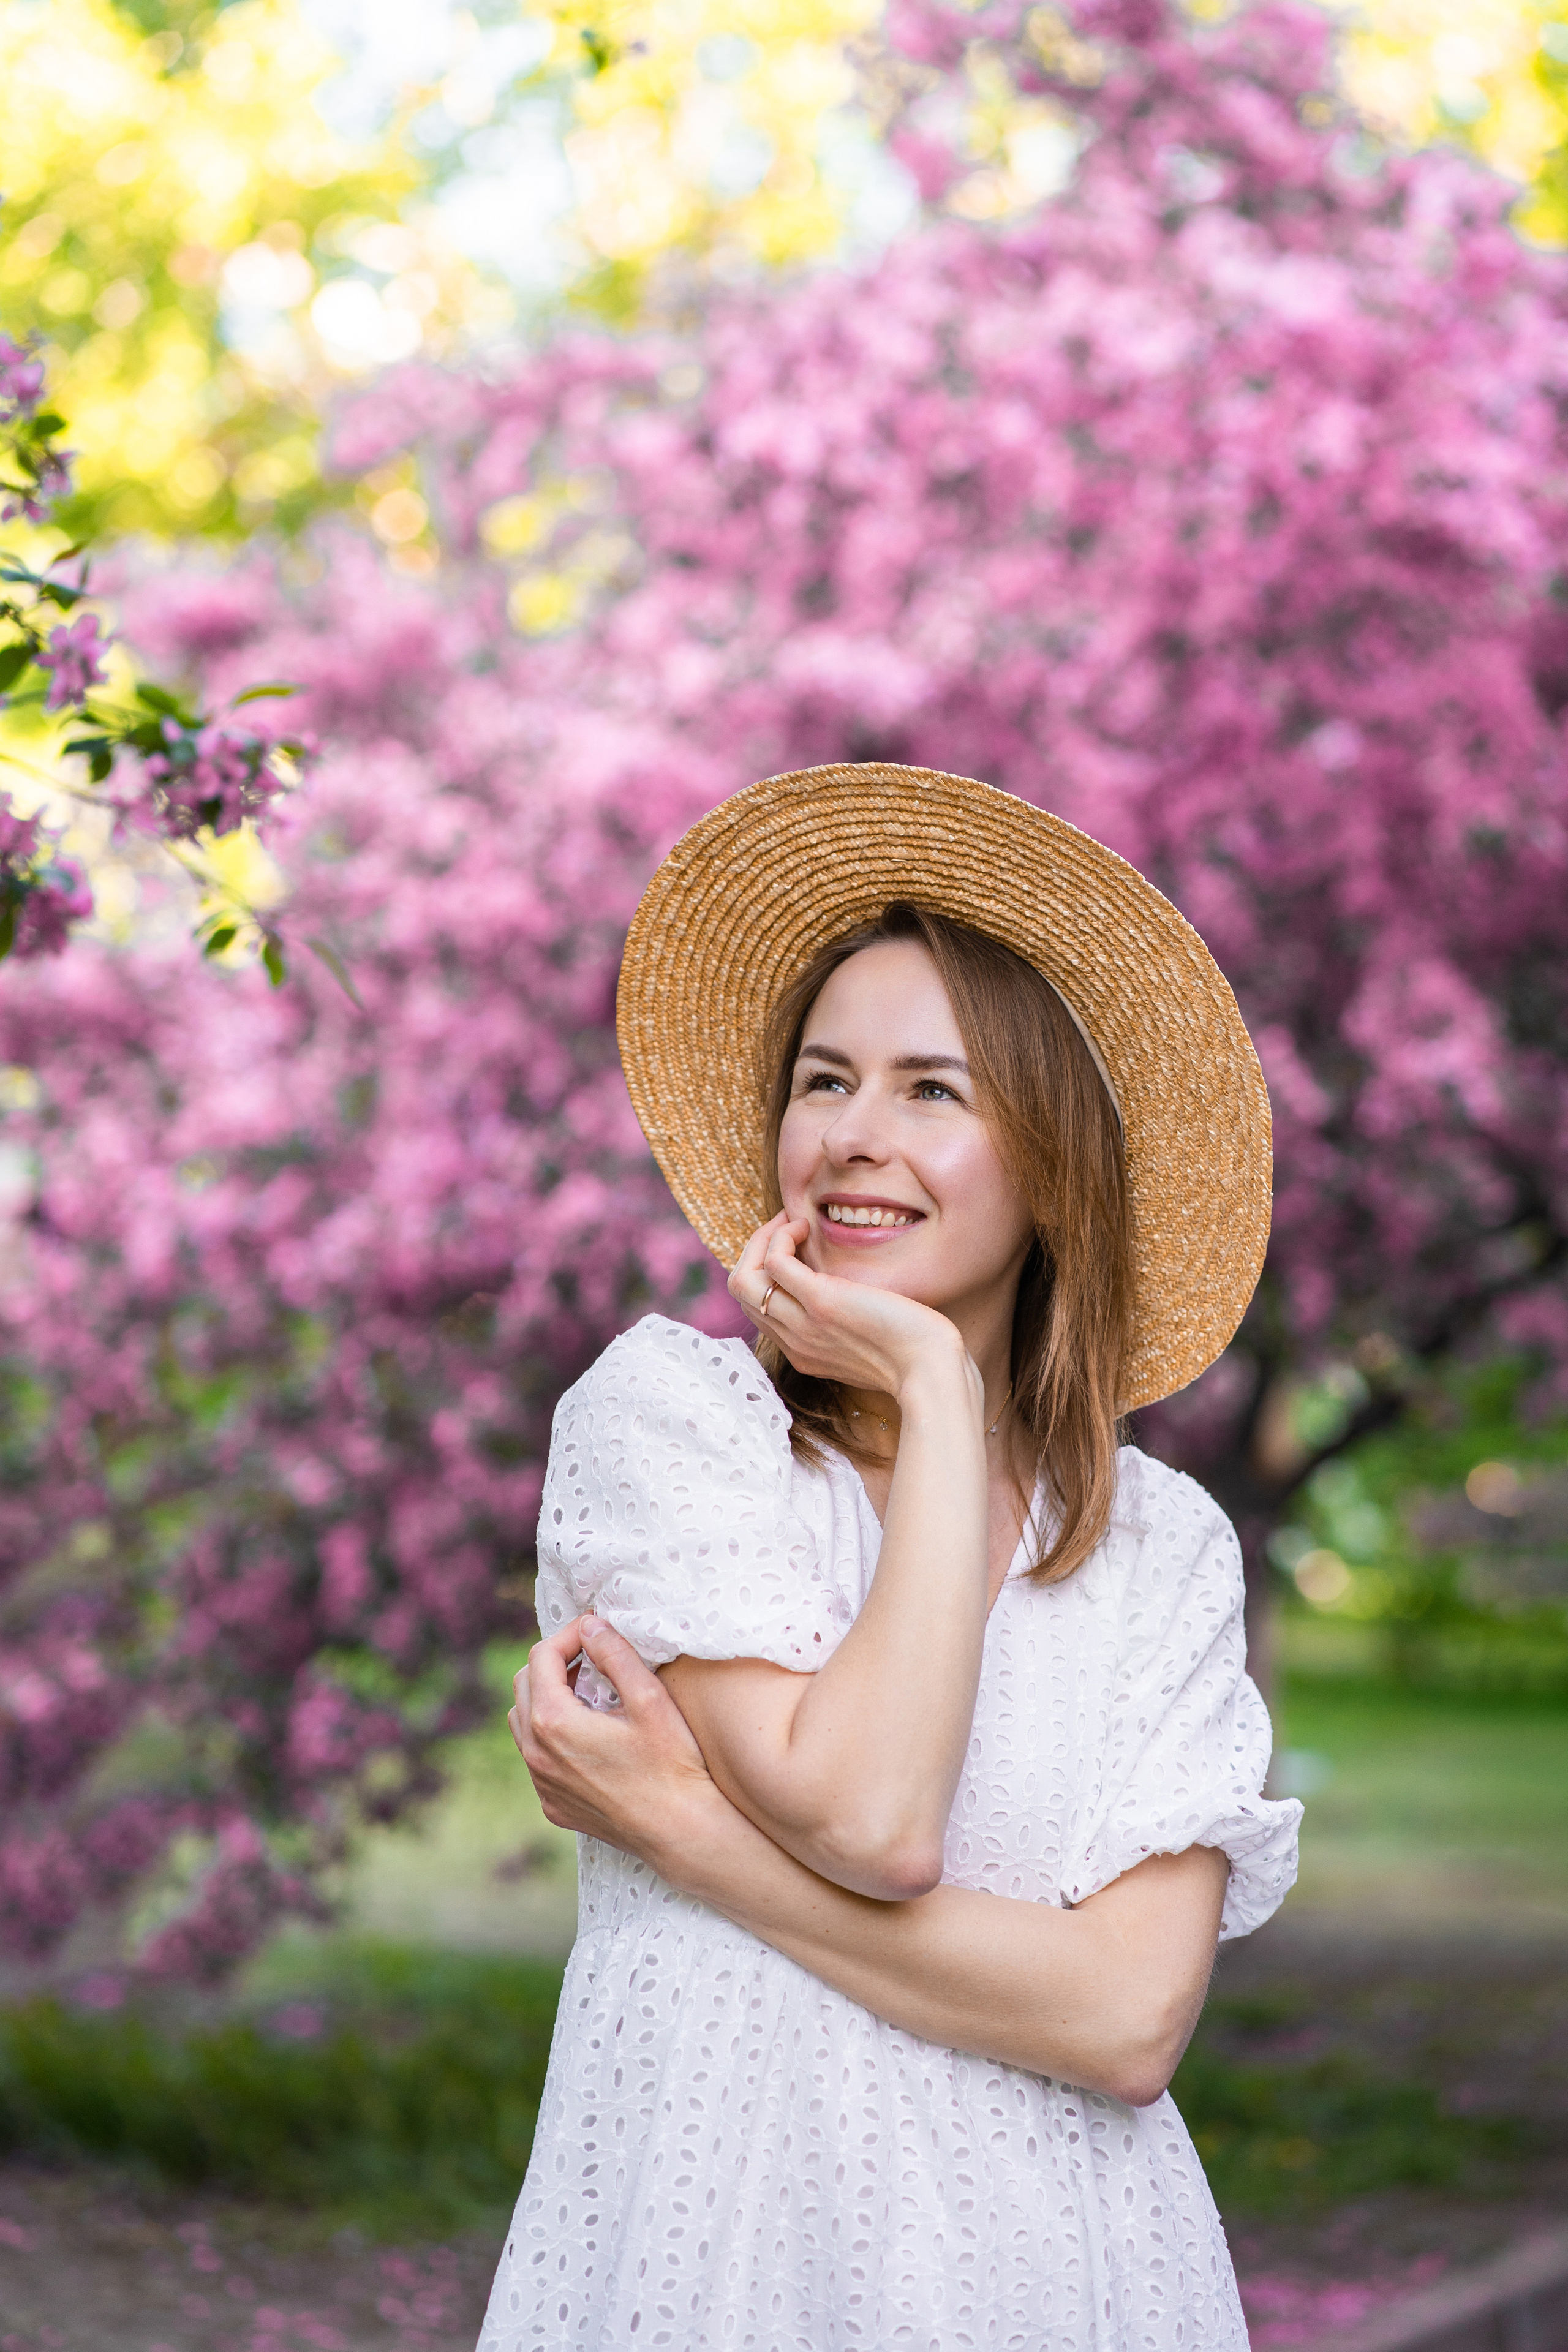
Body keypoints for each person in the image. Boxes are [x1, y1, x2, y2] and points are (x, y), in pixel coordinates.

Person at [478, 763, 1302, 2352]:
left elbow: (1129, 2023)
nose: (856, 1138)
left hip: (1065, 2273)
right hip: (719, 2247)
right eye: (824, 1080)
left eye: (934, 1090)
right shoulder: (675, 1421)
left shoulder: (1161, 1549)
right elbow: (872, 1816)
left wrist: (705, 1846)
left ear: (1052, 1158)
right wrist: (933, 1392)